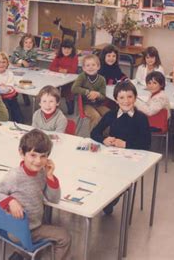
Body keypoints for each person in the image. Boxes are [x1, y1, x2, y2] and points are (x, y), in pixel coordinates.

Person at [0, 129, 71, 260]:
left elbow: (54, 199)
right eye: (33, 155)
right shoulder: (15, 175)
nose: (38, 161)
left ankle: (21, 255)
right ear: (21, 153)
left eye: (43, 156)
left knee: (47, 229)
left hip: (24, 226)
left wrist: (50, 177)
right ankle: (24, 252)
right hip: (24, 229)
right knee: (64, 237)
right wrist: (11, 201)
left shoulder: (42, 173)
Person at [91, 81, 151, 215]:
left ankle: (108, 201)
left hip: (132, 160)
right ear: (116, 100)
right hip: (112, 156)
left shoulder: (141, 118)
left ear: (135, 98)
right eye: (122, 98)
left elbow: (146, 143)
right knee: (98, 172)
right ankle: (101, 198)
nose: (126, 101)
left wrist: (126, 144)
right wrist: (104, 139)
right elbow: (94, 133)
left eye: (130, 97)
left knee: (118, 179)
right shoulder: (110, 115)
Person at [71, 54, 110, 130]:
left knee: (109, 114)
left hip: (98, 104)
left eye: (93, 65)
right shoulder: (82, 76)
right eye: (88, 65)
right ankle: (94, 136)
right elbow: (74, 88)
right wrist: (88, 92)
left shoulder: (102, 79)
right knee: (96, 116)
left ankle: (105, 136)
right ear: (84, 68)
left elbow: (103, 96)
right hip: (86, 104)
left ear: (98, 67)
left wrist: (98, 94)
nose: (91, 67)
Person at [48, 38, 79, 114]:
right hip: (59, 78)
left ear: (72, 49)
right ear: (61, 49)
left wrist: (65, 70)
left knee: (69, 91)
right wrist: (60, 70)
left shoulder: (74, 57)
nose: (66, 50)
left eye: (69, 48)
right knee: (53, 89)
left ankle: (70, 108)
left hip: (70, 80)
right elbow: (51, 67)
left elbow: (73, 70)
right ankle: (53, 106)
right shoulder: (58, 56)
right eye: (64, 48)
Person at [0, 52, 23, 123]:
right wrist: (0, 87)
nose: (1, 64)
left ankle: (19, 122)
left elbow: (10, 87)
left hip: (10, 97)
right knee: (4, 108)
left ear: (7, 63)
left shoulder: (10, 74)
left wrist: (3, 87)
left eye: (4, 62)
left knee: (17, 112)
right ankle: (5, 121)